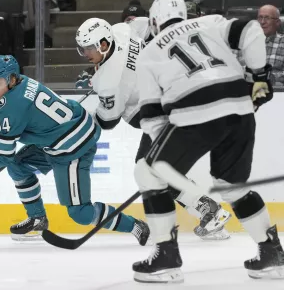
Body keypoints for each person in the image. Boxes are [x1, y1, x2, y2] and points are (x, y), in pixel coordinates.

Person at [132, 0, 282, 283]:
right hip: (240, 110)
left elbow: (151, 116)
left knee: (146, 173)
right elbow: (250, 30)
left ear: (154, 21)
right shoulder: (210, 22)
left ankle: (165, 256)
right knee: (231, 186)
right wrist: (259, 76)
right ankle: (271, 253)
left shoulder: (149, 52)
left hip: (194, 113)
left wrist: (160, 160)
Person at [0, 55, 150, 245]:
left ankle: (135, 225)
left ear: (12, 79)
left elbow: (1, 154)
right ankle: (37, 219)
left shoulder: (13, 107)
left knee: (80, 213)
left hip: (73, 149)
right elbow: (3, 108)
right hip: (65, 134)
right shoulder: (21, 82)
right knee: (18, 165)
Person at [75, 17, 231, 241]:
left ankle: (211, 211)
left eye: (89, 48)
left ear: (104, 44)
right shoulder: (121, 31)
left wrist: (88, 116)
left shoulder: (109, 81)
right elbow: (146, 24)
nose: (85, 54)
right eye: (82, 49)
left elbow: (108, 121)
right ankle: (207, 209)